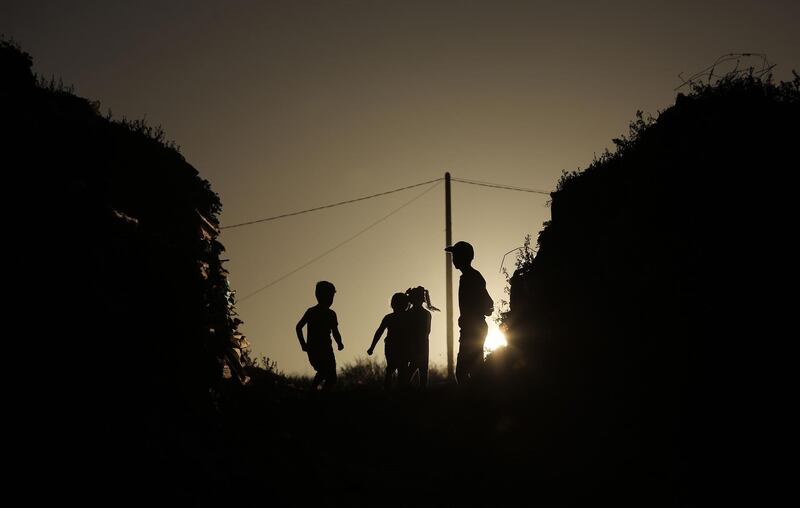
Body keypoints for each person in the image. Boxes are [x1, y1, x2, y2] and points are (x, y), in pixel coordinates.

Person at [445, 241, 493, 385]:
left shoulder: (471, 277)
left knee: (465, 370)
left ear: (463, 257)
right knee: (471, 370)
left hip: (474, 328)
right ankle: (476, 398)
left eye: (455, 256)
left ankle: (475, 401)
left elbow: (488, 305)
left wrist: (470, 315)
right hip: (473, 327)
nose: (453, 259)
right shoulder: (470, 276)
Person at [296, 281, 344, 391]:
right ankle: (312, 392)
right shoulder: (311, 312)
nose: (330, 299)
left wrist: (339, 343)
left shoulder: (331, 314)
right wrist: (303, 344)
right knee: (323, 371)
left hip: (327, 350)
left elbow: (335, 331)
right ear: (319, 296)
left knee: (332, 378)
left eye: (332, 296)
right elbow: (298, 327)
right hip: (314, 349)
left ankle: (322, 397)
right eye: (329, 296)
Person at [367, 292, 410, 390]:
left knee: (393, 368)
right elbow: (379, 332)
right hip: (398, 347)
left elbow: (379, 332)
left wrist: (372, 347)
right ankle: (397, 390)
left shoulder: (390, 317)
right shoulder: (407, 317)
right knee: (399, 368)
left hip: (394, 346)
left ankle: (392, 389)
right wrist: (372, 347)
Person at [405, 286, 439, 389]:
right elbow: (427, 331)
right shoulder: (425, 314)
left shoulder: (409, 314)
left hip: (417, 345)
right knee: (420, 371)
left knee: (413, 372)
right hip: (420, 345)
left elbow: (426, 331)